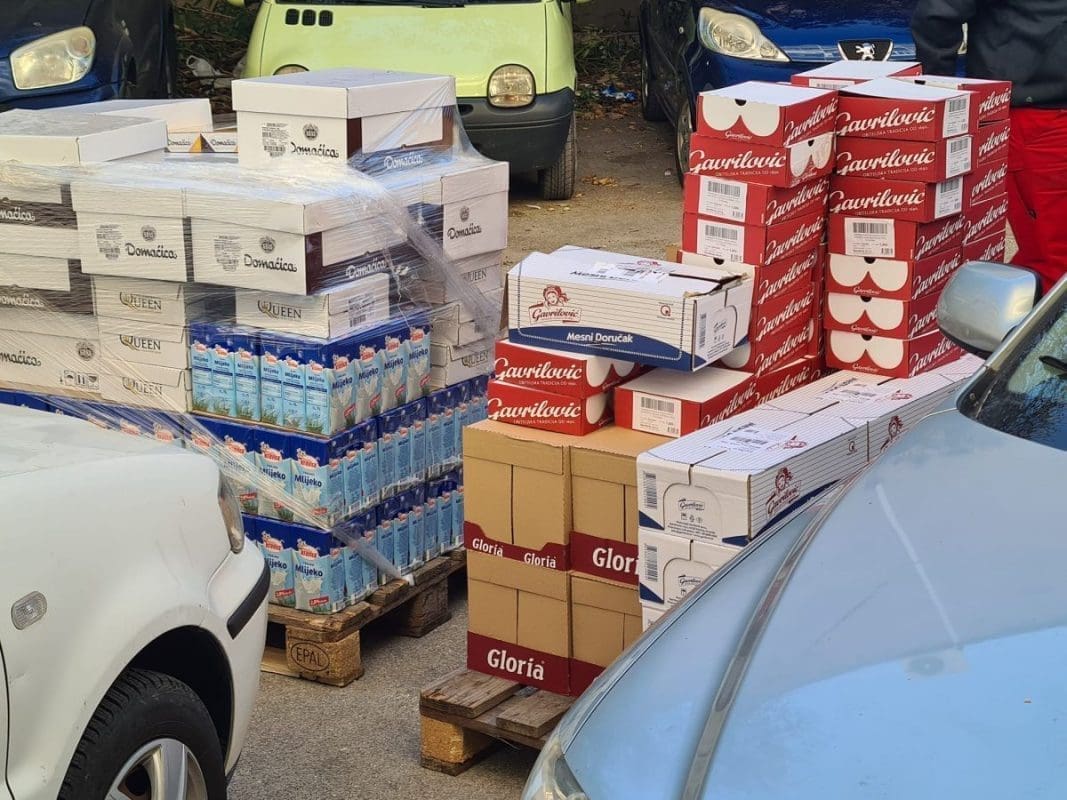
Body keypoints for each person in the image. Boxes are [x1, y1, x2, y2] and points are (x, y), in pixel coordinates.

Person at [912, 1, 1067, 292]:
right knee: (1054, 258)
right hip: (1040, 114)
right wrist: (941, 96)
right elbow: (937, 14)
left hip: (1044, 111)